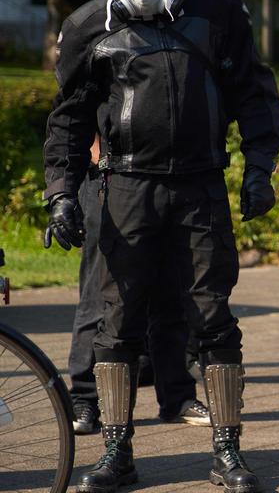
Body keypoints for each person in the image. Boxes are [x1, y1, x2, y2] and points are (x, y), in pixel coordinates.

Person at [43, 0, 279, 492]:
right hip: (125, 188)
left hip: (201, 187)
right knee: (116, 323)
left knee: (213, 319)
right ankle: (117, 453)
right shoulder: (86, 27)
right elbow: (68, 120)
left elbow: (254, 92)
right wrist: (62, 194)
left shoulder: (217, 11)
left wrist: (260, 167)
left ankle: (228, 452)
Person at [66, 140, 211, 436]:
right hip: (108, 175)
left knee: (171, 290)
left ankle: (177, 397)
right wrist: (97, 153)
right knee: (101, 293)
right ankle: (86, 398)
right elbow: (73, 106)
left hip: (166, 176)